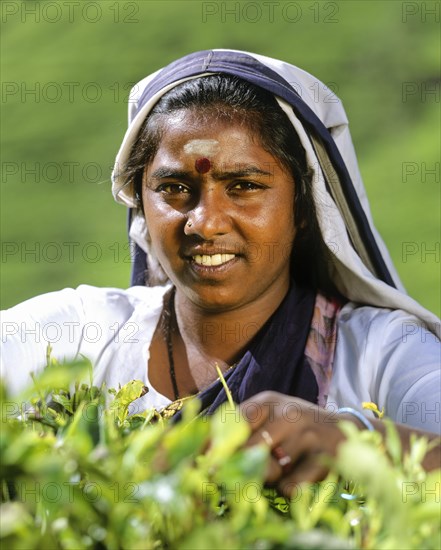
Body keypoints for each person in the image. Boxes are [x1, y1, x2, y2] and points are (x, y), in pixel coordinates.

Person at [1, 50, 440, 492]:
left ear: (305, 206)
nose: (205, 223)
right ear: (140, 200)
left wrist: (356, 440)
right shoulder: (80, 336)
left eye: (244, 186)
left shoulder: (380, 352)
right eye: (173, 188)